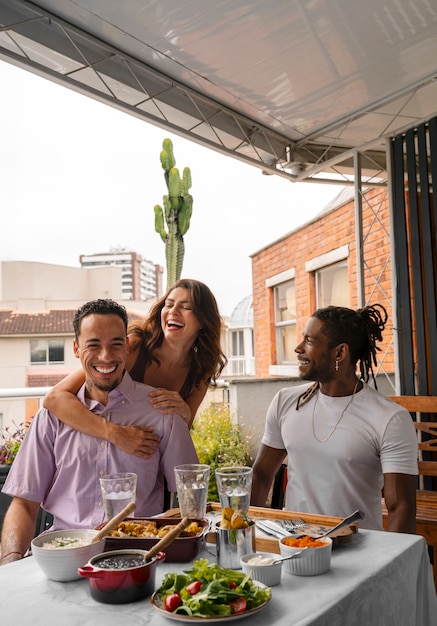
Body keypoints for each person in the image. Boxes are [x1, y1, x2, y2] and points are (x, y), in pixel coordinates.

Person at [0, 298, 199, 565]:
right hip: (61, 554)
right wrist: (10, 563)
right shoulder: (51, 417)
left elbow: (189, 504)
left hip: (138, 557)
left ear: (127, 347)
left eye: (116, 344)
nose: (106, 357)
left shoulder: (162, 411)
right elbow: (24, 503)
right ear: (76, 348)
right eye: (93, 345)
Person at [251, 304, 418, 533]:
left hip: (358, 549)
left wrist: (390, 564)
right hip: (294, 544)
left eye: (309, 341)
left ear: (340, 352)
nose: (298, 348)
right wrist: (247, 534)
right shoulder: (285, 402)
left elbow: (401, 508)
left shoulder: (390, 419)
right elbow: (261, 475)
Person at [43, 279, 227, 457]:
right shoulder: (136, 346)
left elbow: (180, 433)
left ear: (203, 320)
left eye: (186, 307)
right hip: (101, 445)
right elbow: (54, 398)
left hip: (149, 457)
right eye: (169, 304)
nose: (173, 311)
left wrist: (185, 412)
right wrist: (117, 435)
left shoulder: (201, 369)